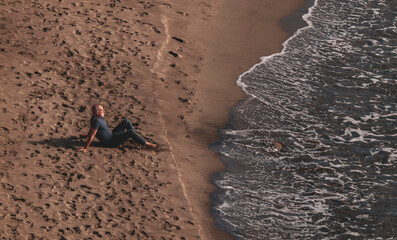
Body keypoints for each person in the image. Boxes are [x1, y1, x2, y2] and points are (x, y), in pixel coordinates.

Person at [77, 104, 157, 152]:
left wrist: (86, 135)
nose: (104, 111)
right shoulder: (96, 121)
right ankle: (147, 144)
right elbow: (93, 134)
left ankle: (135, 138)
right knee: (130, 132)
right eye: (102, 110)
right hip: (111, 142)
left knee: (126, 121)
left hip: (112, 135)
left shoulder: (98, 117)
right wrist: (85, 148)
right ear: (97, 112)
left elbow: (92, 130)